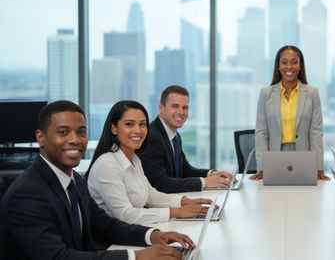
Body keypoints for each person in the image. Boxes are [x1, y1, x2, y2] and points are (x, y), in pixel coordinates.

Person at [0, 100, 193, 260]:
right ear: (41, 138)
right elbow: (58, 257)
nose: (75, 140)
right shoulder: (27, 194)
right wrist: (136, 257)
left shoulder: (74, 180)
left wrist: (154, 235)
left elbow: (104, 225)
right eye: (63, 132)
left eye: (81, 132)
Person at [86, 100, 213, 225]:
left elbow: (151, 196)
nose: (138, 130)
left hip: (134, 232)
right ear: (114, 128)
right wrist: (176, 212)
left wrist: (186, 201)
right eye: (129, 124)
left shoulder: (134, 159)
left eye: (142, 124)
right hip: (112, 242)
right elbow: (125, 215)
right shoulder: (108, 165)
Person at [250, 45, 329, 181]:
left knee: (304, 197)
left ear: (300, 66)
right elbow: (262, 132)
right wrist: (262, 167)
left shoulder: (312, 93)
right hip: (274, 157)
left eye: (294, 62)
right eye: (284, 62)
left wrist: (318, 166)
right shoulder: (266, 94)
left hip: (304, 157)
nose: (289, 67)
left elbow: (316, 132)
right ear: (279, 66)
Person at [140, 85, 233, 193]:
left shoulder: (175, 135)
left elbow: (184, 169)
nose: (181, 112)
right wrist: (204, 182)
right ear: (161, 108)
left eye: (185, 107)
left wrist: (211, 174)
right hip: (158, 207)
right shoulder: (151, 137)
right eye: (175, 106)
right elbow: (161, 184)